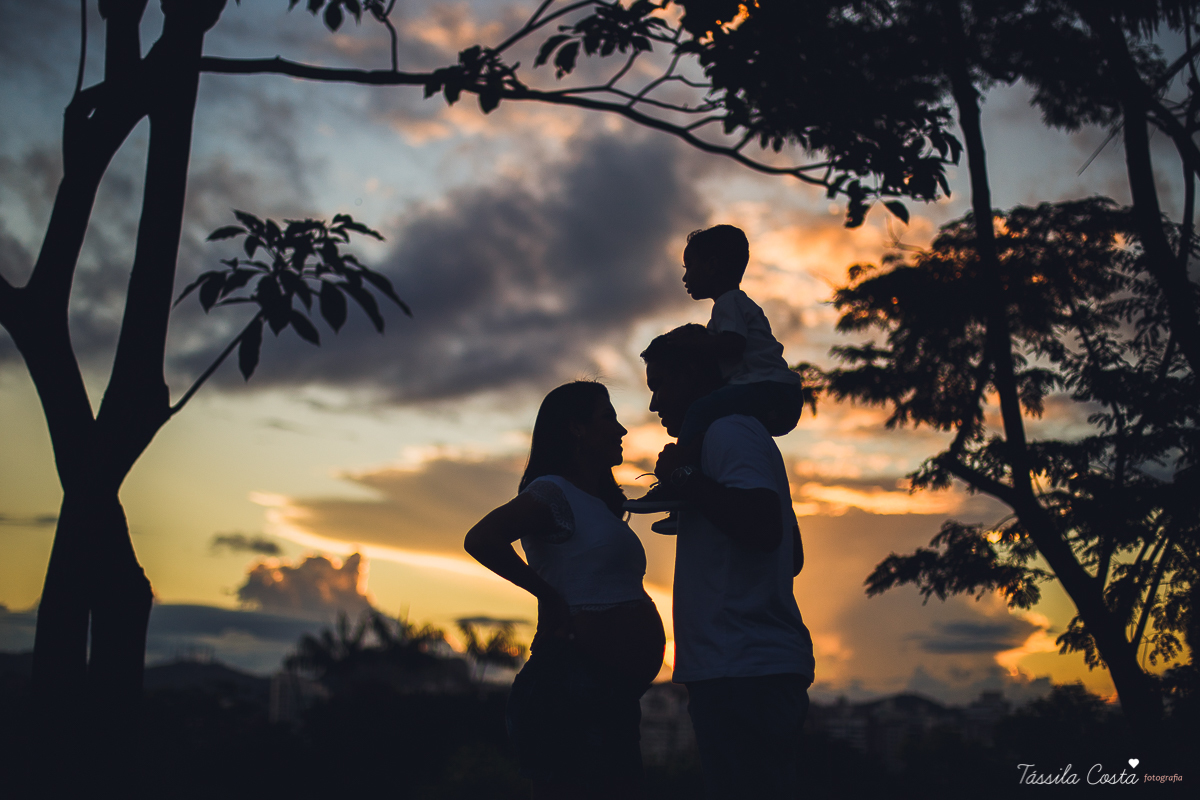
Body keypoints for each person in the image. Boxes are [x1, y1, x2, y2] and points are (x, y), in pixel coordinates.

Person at [464, 381, 666, 800]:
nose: (621, 430)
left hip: (610, 695)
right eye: (608, 417)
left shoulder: (600, 504)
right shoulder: (552, 491)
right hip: (569, 691)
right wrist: (548, 596)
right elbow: (482, 538)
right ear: (576, 428)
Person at [641, 324, 814, 799]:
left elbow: (763, 528)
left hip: (744, 673)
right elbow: (790, 554)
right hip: (744, 671)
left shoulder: (728, 430)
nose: (655, 404)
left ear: (695, 374)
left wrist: (683, 476)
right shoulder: (731, 436)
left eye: (661, 385)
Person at [625, 225, 804, 515]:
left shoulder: (728, 303)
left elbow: (733, 344)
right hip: (777, 392)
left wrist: (692, 343)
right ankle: (686, 502)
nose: (685, 277)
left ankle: (674, 482)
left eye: (689, 266)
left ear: (711, 265)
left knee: (700, 412)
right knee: (707, 418)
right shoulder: (734, 306)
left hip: (770, 390)